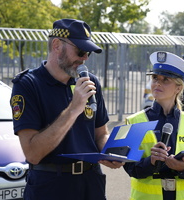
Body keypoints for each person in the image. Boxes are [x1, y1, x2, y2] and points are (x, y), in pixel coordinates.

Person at [10, 18, 123, 200]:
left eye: (88, 53)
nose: (85, 58)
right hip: (51, 186)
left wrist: (110, 152)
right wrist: (73, 109)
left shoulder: (90, 82)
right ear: (56, 45)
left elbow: (101, 133)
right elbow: (32, 154)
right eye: (80, 51)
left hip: (91, 183)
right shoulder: (28, 85)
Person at [123, 51, 184, 200]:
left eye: (165, 79)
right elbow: (130, 169)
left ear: (178, 88)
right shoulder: (134, 121)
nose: (157, 83)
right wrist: (151, 161)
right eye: (155, 78)